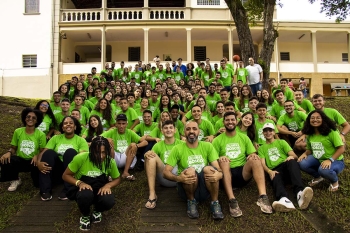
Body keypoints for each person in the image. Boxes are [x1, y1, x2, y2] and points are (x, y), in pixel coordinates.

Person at [213, 112, 272, 217]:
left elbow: (252, 153)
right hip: (225, 174)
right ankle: (232, 200)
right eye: (227, 120)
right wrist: (219, 159)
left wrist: (252, 155)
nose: (230, 122)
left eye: (232, 120)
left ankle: (263, 196)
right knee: (224, 161)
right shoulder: (217, 140)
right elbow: (212, 160)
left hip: (242, 174)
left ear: (236, 121)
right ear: (223, 122)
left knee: (256, 159)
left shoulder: (244, 138)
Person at [163, 121, 224, 220]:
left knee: (210, 169)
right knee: (190, 170)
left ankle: (215, 202)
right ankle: (191, 202)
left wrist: (219, 175)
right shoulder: (177, 148)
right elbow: (165, 172)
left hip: (205, 189)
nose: (191, 131)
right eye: (188, 129)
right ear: (184, 132)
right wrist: (179, 178)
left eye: (194, 129)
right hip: (186, 190)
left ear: (199, 131)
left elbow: (218, 169)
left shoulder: (207, 146)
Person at [62, 136, 120, 231]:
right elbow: (65, 175)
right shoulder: (80, 158)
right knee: (85, 195)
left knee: (109, 201)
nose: (101, 156)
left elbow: (117, 179)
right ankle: (85, 215)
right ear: (91, 150)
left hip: (99, 189)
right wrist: (79, 183)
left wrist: (108, 185)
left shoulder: (110, 162)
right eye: (97, 152)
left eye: (103, 152)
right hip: (83, 190)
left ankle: (97, 210)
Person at [258, 123, 313, 212]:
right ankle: (284, 199)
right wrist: (269, 171)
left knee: (291, 161)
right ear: (263, 133)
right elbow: (262, 164)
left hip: (286, 165)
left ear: (274, 132)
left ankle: (299, 193)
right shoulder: (261, 148)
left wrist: (291, 157)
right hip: (275, 169)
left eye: (270, 130)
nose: (268, 133)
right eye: (265, 131)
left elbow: (294, 156)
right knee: (275, 176)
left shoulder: (281, 142)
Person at [37, 116, 89, 201]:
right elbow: (44, 152)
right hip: (57, 171)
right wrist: (39, 162)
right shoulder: (55, 138)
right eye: (65, 123)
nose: (68, 125)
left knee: (70, 152)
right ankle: (45, 190)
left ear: (75, 127)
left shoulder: (80, 140)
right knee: (49, 153)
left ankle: (68, 189)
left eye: (71, 123)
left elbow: (82, 158)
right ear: (62, 127)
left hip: (71, 172)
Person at [298, 110, 345, 192]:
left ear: (323, 119)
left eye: (318, 118)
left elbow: (341, 148)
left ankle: (334, 181)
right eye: (312, 118)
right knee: (302, 163)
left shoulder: (331, 132)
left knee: (323, 170)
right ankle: (318, 177)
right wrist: (305, 153)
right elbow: (310, 149)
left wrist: (330, 160)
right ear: (309, 121)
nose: (315, 120)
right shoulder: (310, 134)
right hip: (318, 158)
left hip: (336, 160)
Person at [0, 108, 46, 191]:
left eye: (33, 118)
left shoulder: (41, 134)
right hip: (20, 160)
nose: (30, 119)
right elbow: (14, 147)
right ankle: (15, 179)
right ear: (25, 118)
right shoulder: (18, 131)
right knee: (7, 159)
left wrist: (37, 156)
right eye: (28, 117)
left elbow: (42, 150)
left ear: (37, 120)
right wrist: (9, 152)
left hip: (33, 161)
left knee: (37, 184)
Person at [144, 120, 183, 209]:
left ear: (175, 130)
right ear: (162, 131)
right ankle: (152, 194)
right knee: (151, 156)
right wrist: (146, 155)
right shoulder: (157, 145)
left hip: (179, 178)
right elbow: (148, 163)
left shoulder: (182, 144)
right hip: (164, 176)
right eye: (165, 128)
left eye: (171, 128)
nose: (168, 130)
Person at [101, 114, 148, 180]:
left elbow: (145, 142)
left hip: (126, 157)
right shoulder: (112, 131)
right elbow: (97, 138)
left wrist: (137, 145)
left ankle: (125, 172)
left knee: (133, 145)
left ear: (126, 124)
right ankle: (110, 171)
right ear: (116, 124)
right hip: (114, 157)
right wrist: (106, 139)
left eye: (123, 124)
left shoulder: (130, 132)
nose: (121, 126)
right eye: (119, 123)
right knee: (108, 143)